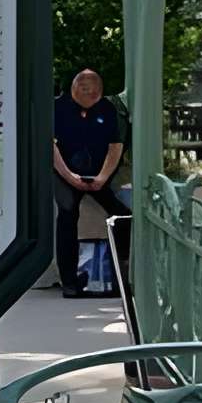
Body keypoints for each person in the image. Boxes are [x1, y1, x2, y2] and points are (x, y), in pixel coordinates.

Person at [52, 68, 129, 292]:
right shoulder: (58, 108)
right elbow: (51, 146)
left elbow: (115, 146)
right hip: (65, 173)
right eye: (84, 89)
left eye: (94, 90)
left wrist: (102, 177)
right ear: (74, 88)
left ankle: (121, 275)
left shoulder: (107, 109)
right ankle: (69, 282)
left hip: (98, 176)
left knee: (122, 215)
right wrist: (69, 176)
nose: (90, 94)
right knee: (66, 215)